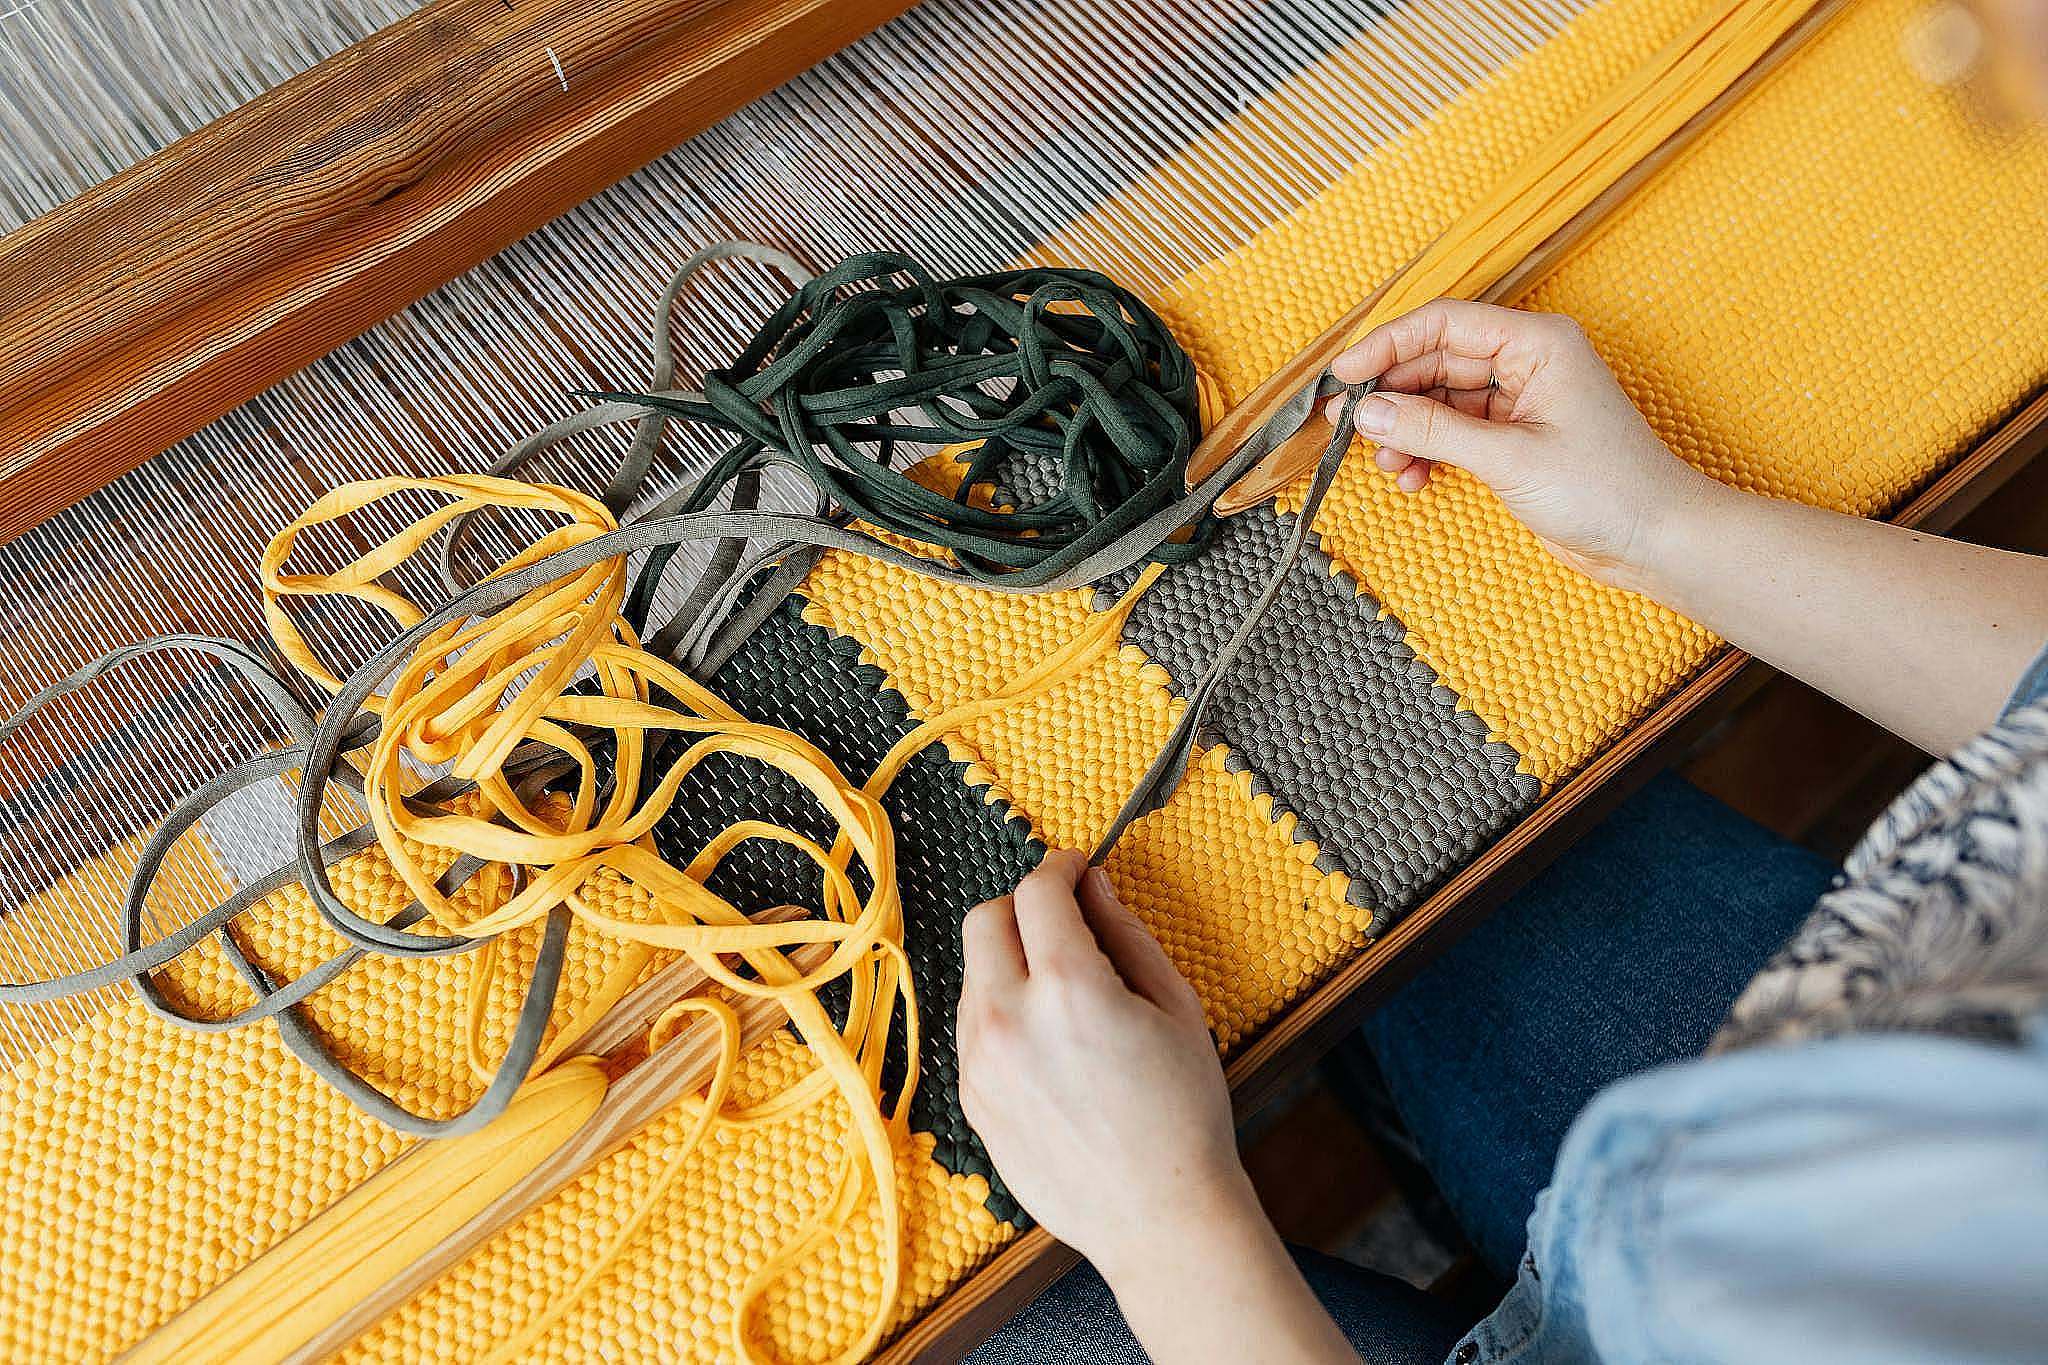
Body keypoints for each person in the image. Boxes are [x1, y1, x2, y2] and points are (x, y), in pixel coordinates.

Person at [955, 297, 2048, 1363]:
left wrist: (1164, 1223)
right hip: (1845, 1133)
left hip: (1763, 1253)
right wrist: (1650, 526)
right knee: (1403, 797)